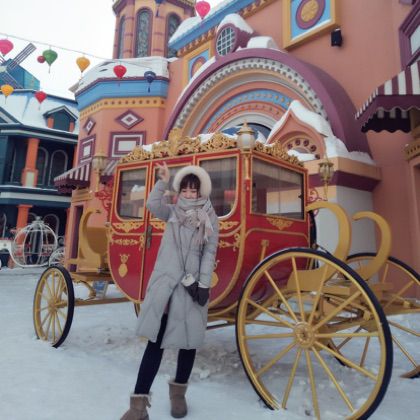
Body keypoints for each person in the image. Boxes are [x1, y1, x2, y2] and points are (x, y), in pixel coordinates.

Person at [121, 163, 219, 420]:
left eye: (193, 190)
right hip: (166, 285)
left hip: (191, 286)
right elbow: (152, 204)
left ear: (201, 191)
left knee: (188, 343)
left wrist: (203, 285)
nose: (188, 194)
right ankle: (138, 405)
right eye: (184, 190)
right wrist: (163, 181)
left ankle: (178, 394)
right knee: (155, 342)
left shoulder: (209, 217)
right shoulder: (173, 212)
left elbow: (209, 253)